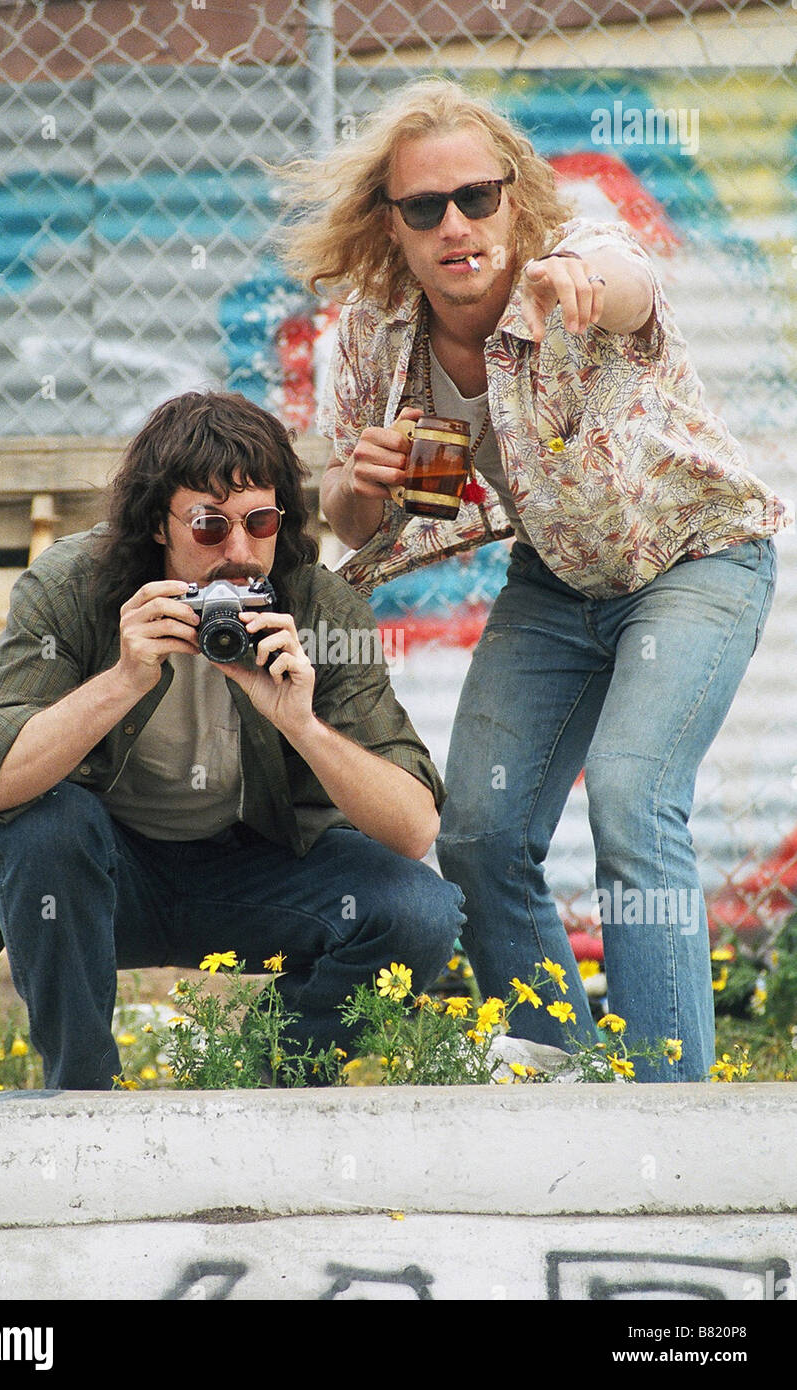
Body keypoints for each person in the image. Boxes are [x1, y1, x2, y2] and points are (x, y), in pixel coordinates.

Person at [282, 77, 791, 1081]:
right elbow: (354, 525)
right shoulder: (375, 342)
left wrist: (589, 286)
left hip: (694, 559)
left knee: (632, 794)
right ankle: (568, 1072)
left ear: (514, 197)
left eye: (477, 196)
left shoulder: (571, 272)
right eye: (424, 207)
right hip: (559, 586)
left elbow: (628, 280)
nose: (455, 224)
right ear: (392, 224)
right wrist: (354, 482)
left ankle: (666, 1109)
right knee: (476, 831)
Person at [0, 390, 464, 1089]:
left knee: (418, 911)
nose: (240, 553)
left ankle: (264, 1089)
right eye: (208, 526)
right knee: (42, 827)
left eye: (260, 521)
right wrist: (125, 678)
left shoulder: (316, 607)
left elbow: (411, 831)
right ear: (157, 525)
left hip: (251, 876)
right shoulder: (76, 585)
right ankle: (82, 1101)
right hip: (104, 877)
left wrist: (299, 722)